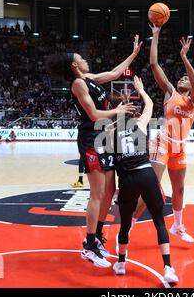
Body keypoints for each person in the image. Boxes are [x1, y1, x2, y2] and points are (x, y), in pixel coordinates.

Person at [46, 35, 141, 268]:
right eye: (81, 58)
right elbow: (94, 115)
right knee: (97, 194)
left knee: (110, 191)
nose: (86, 59)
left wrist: (134, 54)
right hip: (91, 139)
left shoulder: (88, 78)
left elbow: (114, 74)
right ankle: (88, 246)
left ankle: (97, 237)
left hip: (104, 136)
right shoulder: (78, 84)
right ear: (74, 65)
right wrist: (119, 110)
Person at [131, 25, 194, 243]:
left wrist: (184, 57)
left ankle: (178, 226)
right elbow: (154, 64)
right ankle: (128, 227)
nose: (182, 79)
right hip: (162, 142)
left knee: (179, 189)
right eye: (180, 77)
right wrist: (156, 35)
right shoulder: (171, 92)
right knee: (152, 187)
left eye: (185, 79)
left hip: (180, 146)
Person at [111, 76, 178, 283]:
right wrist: (141, 90)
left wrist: (114, 191)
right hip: (146, 174)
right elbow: (149, 104)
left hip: (127, 180)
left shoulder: (110, 132)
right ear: (133, 113)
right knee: (158, 221)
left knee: (124, 226)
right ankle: (167, 268)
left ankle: (121, 263)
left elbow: (111, 167)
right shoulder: (140, 123)